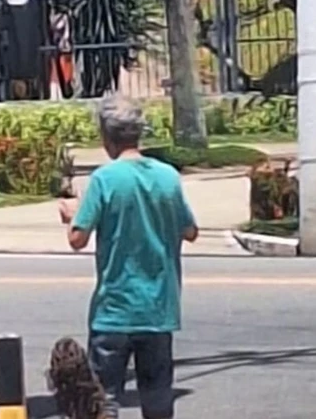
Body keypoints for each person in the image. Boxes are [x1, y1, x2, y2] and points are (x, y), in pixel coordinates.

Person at [57, 94, 199, 419]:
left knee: (103, 400)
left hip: (114, 310)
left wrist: (71, 214)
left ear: (106, 136)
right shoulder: (167, 177)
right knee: (158, 400)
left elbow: (77, 239)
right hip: (158, 309)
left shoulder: (104, 180)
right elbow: (190, 231)